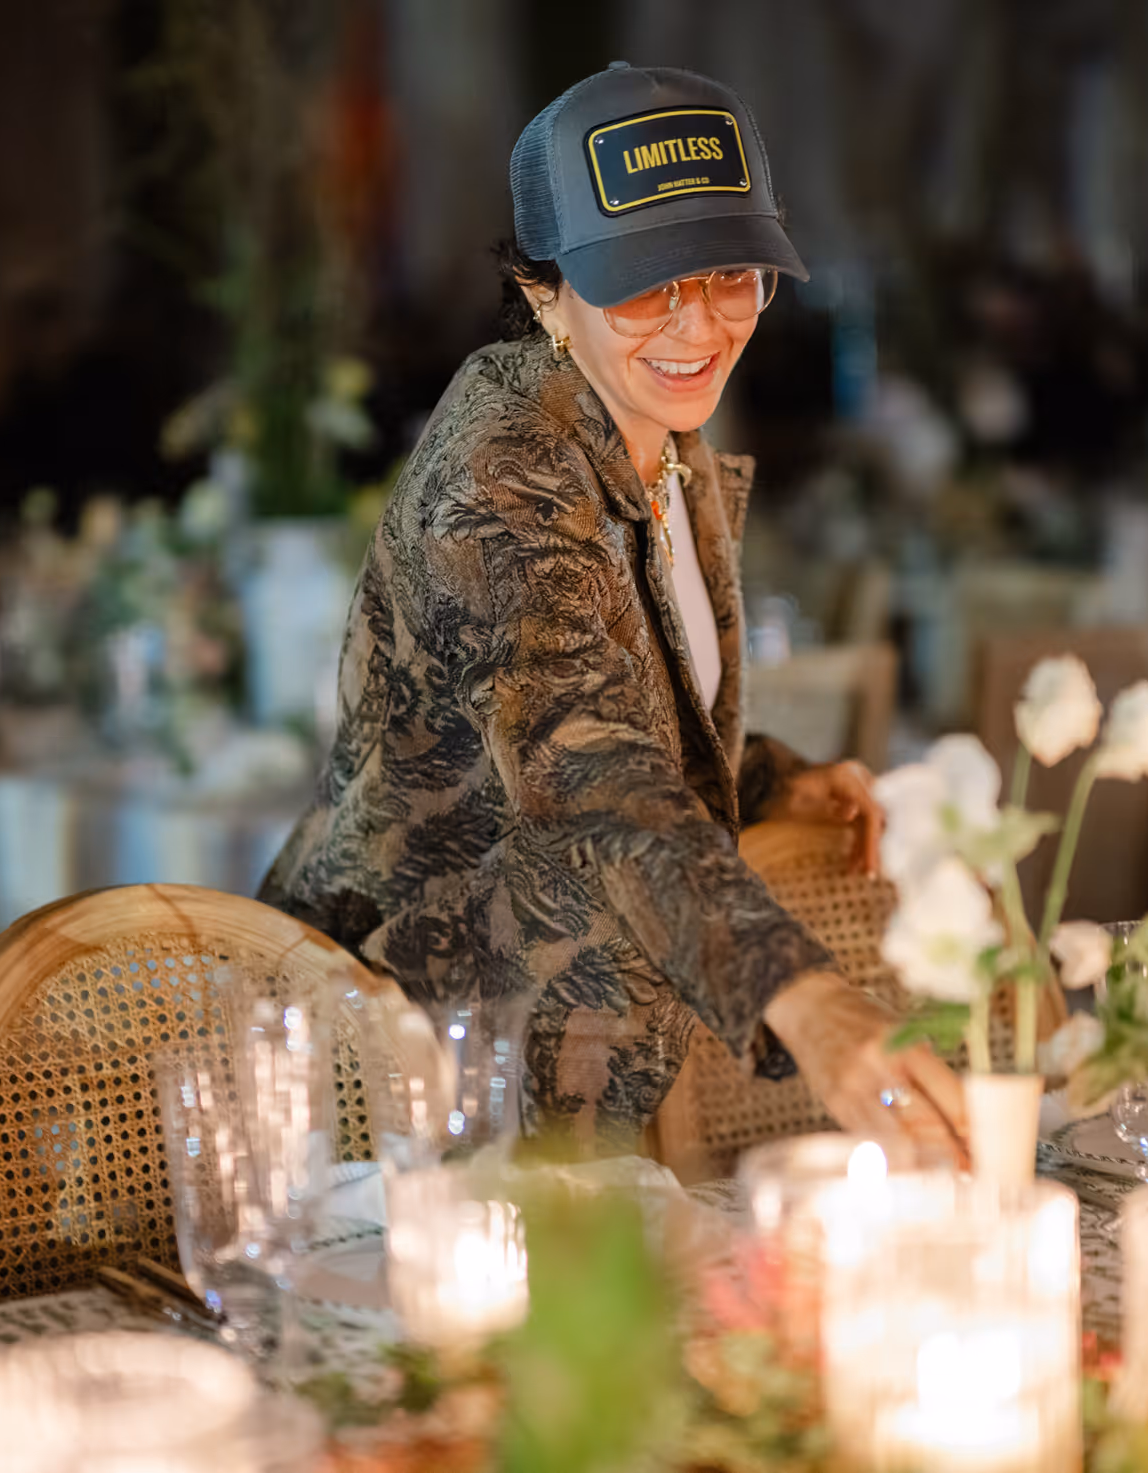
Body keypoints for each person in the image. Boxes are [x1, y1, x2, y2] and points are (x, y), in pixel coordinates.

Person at [262, 63, 966, 1159]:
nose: (699, 325)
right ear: (545, 295)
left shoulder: (662, 439)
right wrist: (811, 1005)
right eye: (645, 284)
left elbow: (637, 702)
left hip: (569, 1076)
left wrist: (769, 774)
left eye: (732, 272)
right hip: (401, 1081)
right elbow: (585, 772)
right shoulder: (495, 478)